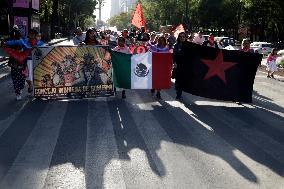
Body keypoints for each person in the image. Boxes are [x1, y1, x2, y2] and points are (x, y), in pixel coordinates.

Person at [173, 32, 189, 100]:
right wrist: (174, 62)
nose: (182, 38)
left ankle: (179, 93)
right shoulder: (176, 45)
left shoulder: (189, 46)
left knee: (182, 80)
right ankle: (178, 91)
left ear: (185, 38)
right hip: (178, 65)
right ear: (179, 38)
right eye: (181, 36)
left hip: (185, 65)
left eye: (183, 37)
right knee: (178, 80)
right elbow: (173, 55)